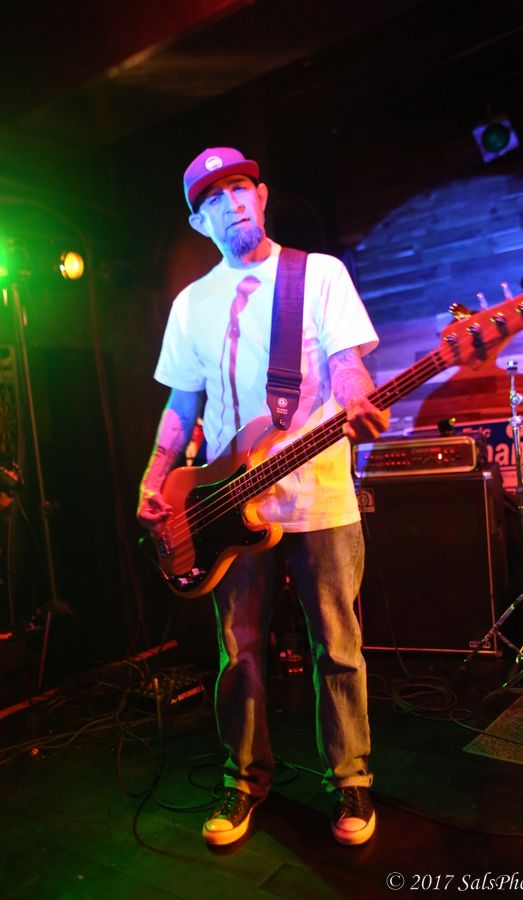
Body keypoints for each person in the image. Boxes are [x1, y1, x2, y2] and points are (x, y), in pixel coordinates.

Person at [137, 147, 389, 847]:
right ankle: (244, 779)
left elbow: (346, 363)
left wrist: (357, 396)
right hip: (227, 505)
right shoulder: (192, 304)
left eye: (241, 187)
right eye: (214, 198)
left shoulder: (319, 274)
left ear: (263, 194)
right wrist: (155, 477)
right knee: (238, 651)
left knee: (337, 645)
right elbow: (181, 404)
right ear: (200, 222)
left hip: (320, 496)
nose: (233, 203)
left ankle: (351, 781)